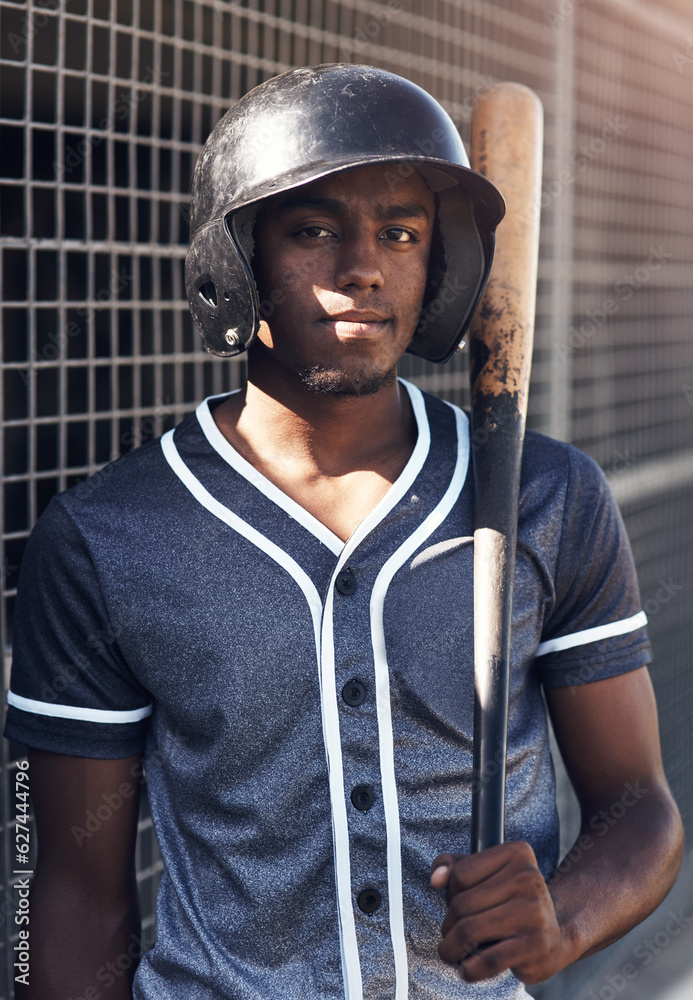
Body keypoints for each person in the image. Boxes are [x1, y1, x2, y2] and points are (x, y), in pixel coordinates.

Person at [4, 64, 683, 1000]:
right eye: (313, 229)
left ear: (435, 266)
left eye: (399, 233)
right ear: (237, 255)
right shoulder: (106, 537)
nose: (361, 265)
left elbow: (639, 808)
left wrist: (562, 922)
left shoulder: (545, 494)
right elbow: (73, 898)